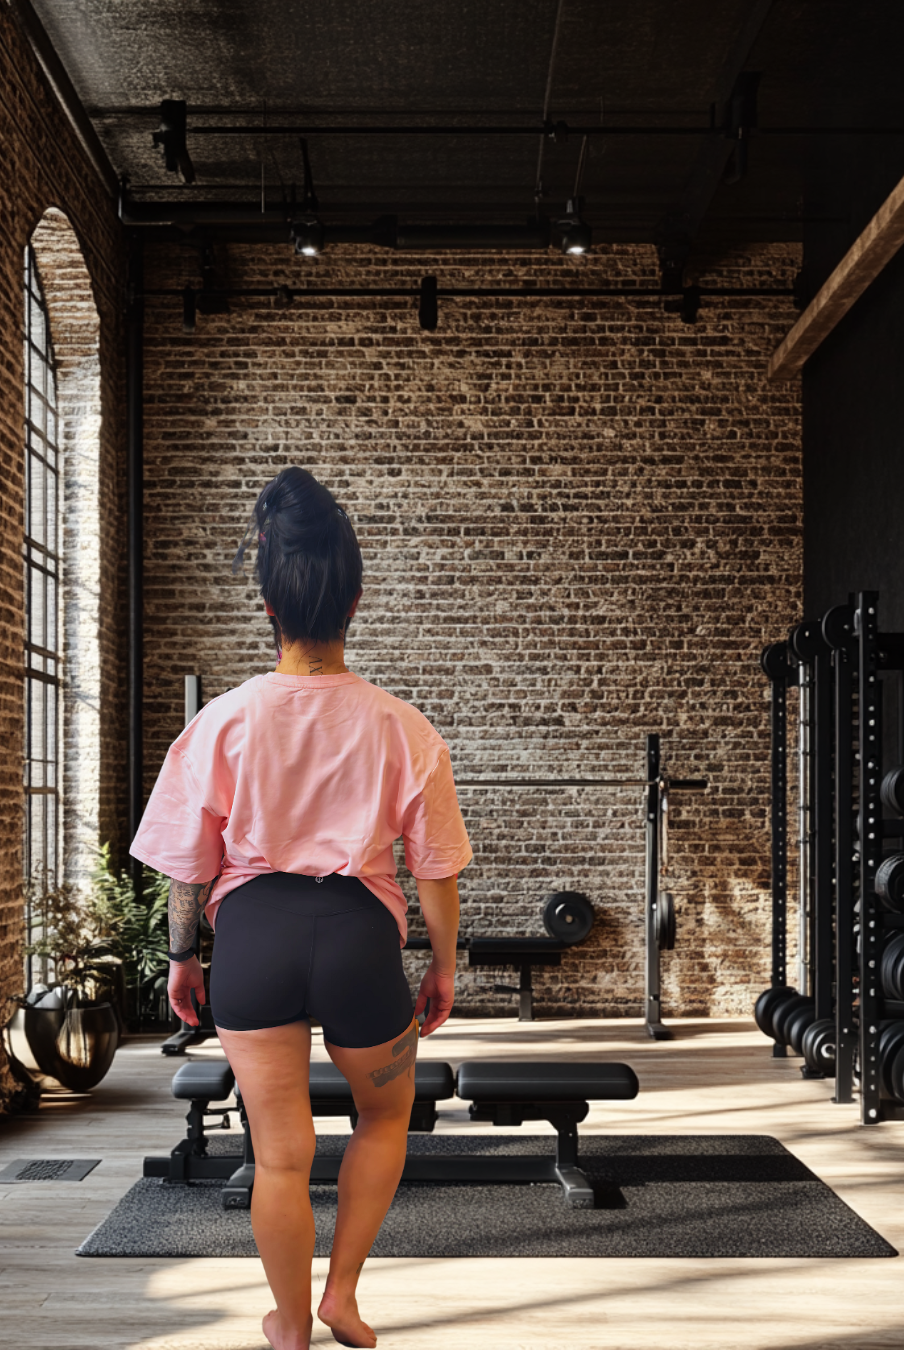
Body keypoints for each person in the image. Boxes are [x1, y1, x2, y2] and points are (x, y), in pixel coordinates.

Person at [130, 466, 472, 1350]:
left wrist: (182, 957)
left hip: (254, 940)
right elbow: (434, 869)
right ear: (354, 600)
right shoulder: (405, 726)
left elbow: (187, 865)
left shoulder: (222, 721)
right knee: (384, 1116)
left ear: (269, 605)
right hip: (360, 938)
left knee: (279, 1153)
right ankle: (343, 1297)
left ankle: (288, 1322)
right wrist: (441, 964)